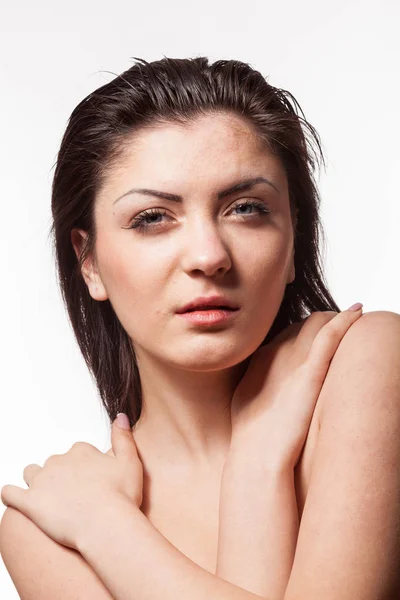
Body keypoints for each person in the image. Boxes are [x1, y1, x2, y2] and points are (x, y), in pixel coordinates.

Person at [1, 56, 399, 600]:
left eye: (246, 208)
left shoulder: (366, 361)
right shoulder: (47, 527)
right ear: (89, 261)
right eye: (153, 218)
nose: (209, 256)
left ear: (293, 243)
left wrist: (108, 530)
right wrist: (255, 470)